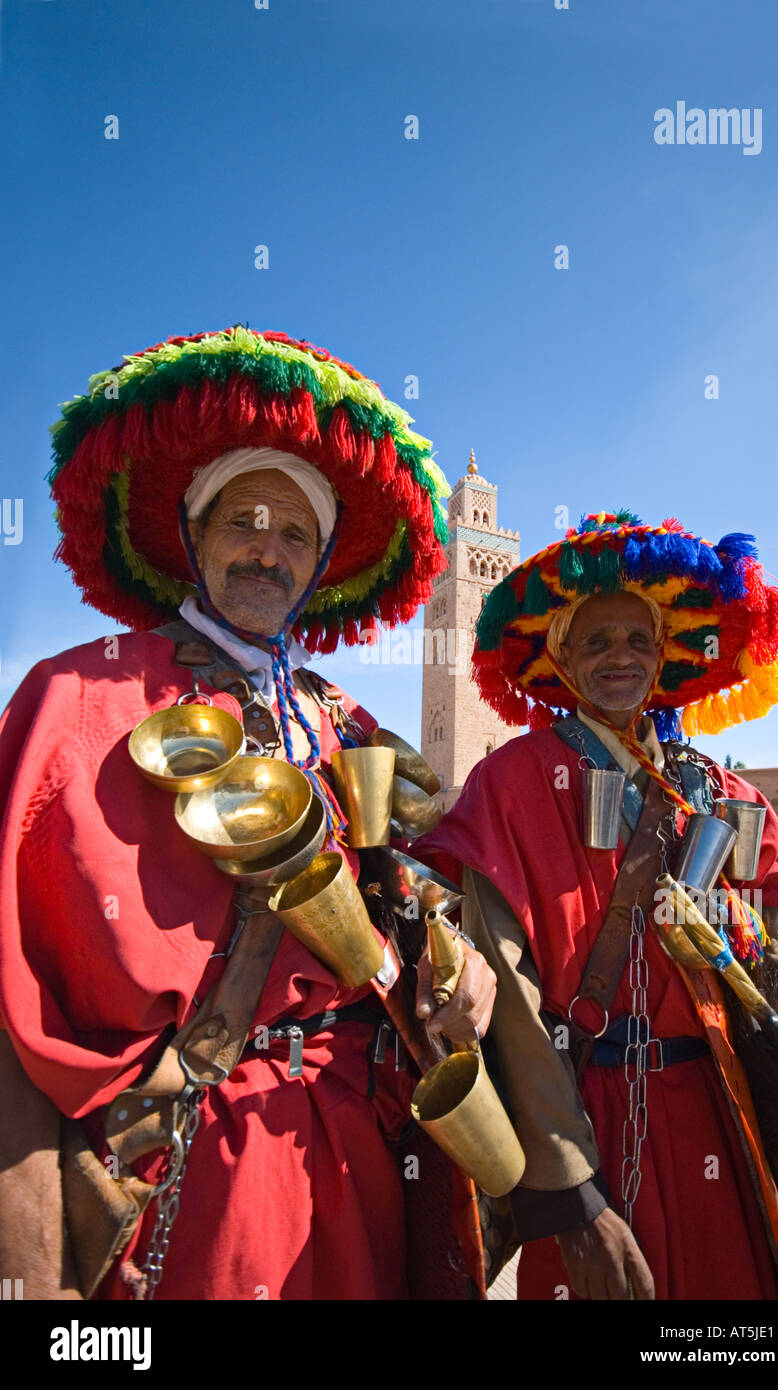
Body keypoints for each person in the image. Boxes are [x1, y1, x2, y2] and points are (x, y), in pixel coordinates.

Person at [0, 326, 496, 1302]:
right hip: (184, 1183)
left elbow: (413, 919)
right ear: (191, 536)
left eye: (295, 533)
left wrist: (462, 971)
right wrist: (27, 1262)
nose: (268, 548)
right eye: (244, 520)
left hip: (360, 1170)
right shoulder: (73, 698)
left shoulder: (353, 727)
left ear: (319, 564)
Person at [417, 509, 778, 1301]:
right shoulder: (513, 783)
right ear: (560, 659)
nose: (620, 658)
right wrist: (566, 1186)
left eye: (638, 640)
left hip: (718, 1109)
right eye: (595, 641)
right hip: (584, 1112)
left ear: (665, 656)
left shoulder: (720, 791)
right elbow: (508, 991)